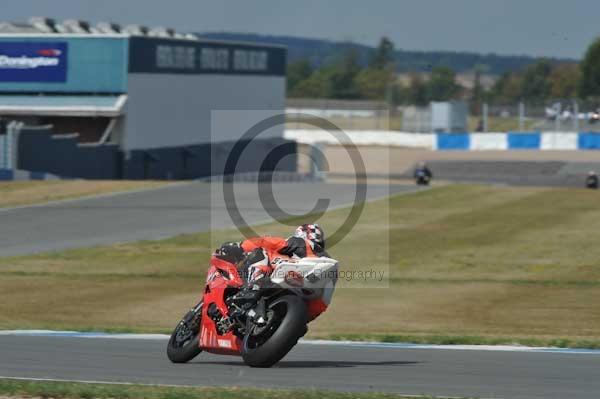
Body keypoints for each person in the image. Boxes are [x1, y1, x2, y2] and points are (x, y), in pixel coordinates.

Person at [215, 224, 327, 286]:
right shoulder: (325, 259)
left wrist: (240, 246)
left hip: (288, 276)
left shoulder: (301, 243)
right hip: (301, 296)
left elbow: (267, 242)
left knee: (262, 250)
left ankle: (254, 284)